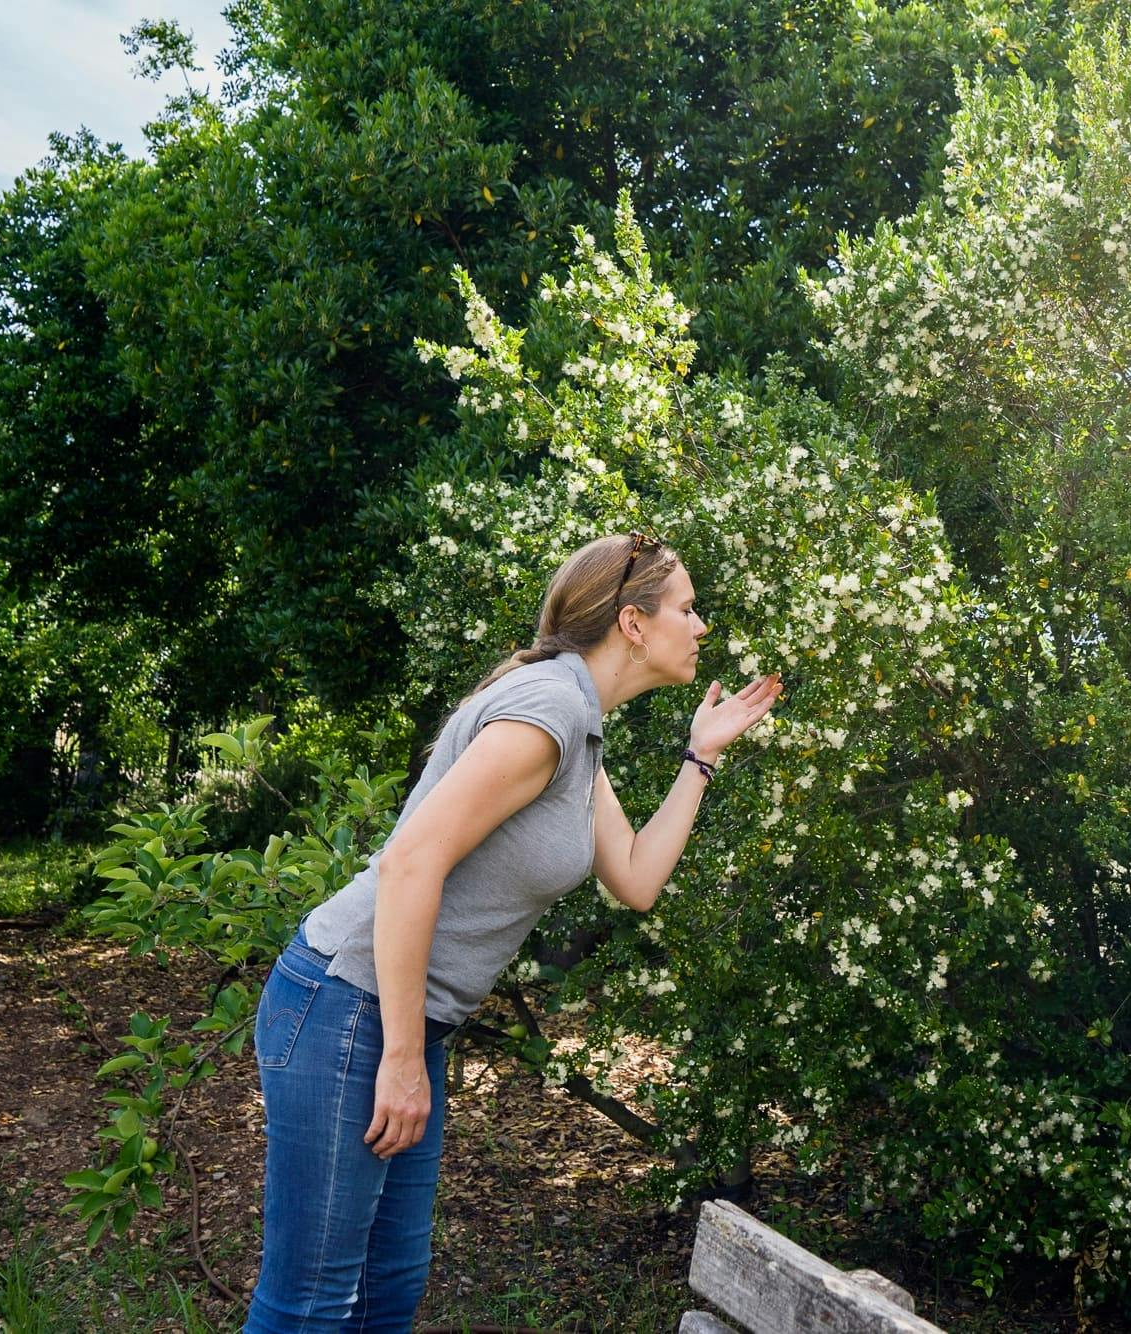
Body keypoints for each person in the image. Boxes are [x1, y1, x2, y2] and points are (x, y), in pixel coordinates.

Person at [242, 531, 782, 1332]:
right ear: (633, 623)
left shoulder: (579, 721)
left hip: (397, 1021)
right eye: (688, 608)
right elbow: (409, 864)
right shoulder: (551, 708)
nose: (701, 626)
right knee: (312, 1305)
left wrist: (698, 759)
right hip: (347, 1009)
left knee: (387, 1292)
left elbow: (633, 878)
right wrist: (397, 1056)